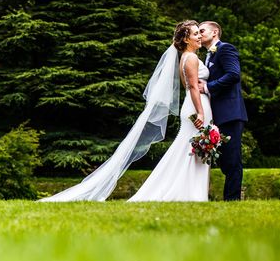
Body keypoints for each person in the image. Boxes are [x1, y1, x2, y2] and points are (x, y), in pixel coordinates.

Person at [39, 21, 213, 202]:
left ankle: (188, 191)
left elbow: (190, 87)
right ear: (186, 39)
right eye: (195, 34)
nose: (199, 36)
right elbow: (192, 87)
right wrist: (200, 112)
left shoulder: (185, 57)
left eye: (199, 34)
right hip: (196, 106)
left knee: (188, 149)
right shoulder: (191, 58)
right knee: (189, 149)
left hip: (192, 105)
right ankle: (186, 192)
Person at [198, 21, 247, 201]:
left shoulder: (225, 48)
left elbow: (234, 74)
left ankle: (232, 200)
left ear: (215, 32)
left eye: (202, 31)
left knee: (232, 159)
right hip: (218, 114)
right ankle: (230, 198)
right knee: (225, 160)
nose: (199, 34)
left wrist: (208, 87)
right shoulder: (208, 56)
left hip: (231, 112)